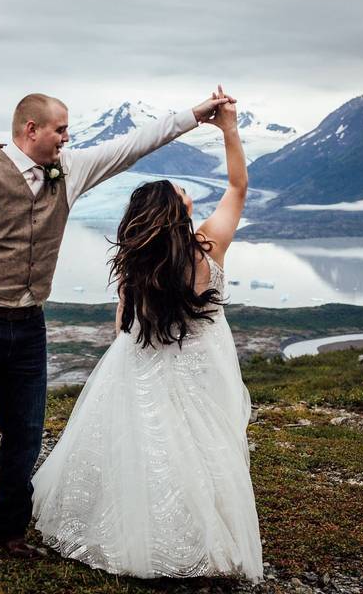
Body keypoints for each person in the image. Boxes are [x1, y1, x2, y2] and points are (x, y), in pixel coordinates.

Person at [0, 90, 232, 571]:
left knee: (26, 433)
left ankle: (11, 531)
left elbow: (131, 146)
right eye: (59, 129)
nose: (67, 137)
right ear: (29, 129)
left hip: (28, 326)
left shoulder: (69, 170)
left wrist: (193, 116)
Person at [31, 86, 263, 582]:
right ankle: (205, 543)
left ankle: (148, 535)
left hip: (146, 366)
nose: (189, 193)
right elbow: (238, 188)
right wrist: (229, 130)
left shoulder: (139, 267)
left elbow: (123, 328)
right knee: (205, 448)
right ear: (176, 210)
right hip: (204, 368)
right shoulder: (208, 248)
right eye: (183, 193)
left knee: (148, 450)